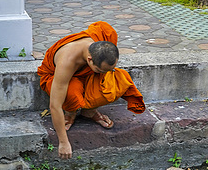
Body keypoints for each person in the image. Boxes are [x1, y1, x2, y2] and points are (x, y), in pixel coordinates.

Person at [37, 21, 145, 159]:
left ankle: (89, 111)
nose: (104, 73)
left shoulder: (101, 40)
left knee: (118, 80)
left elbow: (104, 26)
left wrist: (105, 71)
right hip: (59, 78)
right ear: (90, 60)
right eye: (100, 70)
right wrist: (63, 142)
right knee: (72, 93)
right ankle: (70, 113)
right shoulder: (67, 62)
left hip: (84, 73)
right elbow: (55, 105)